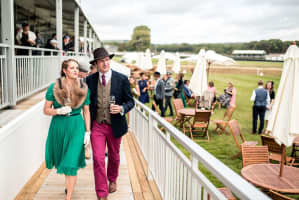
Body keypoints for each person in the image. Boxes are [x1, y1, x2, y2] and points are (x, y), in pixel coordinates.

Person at [86, 48, 134, 200]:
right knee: (99, 159)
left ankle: (112, 178)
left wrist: (121, 108)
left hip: (115, 125)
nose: (105, 63)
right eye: (101, 61)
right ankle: (101, 193)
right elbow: (85, 103)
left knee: (114, 156)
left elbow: (131, 102)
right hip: (98, 125)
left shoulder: (122, 79)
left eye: (107, 59)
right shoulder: (89, 80)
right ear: (96, 63)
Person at [43, 59, 91, 200]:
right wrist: (58, 111)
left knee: (71, 162)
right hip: (59, 126)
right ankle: (68, 187)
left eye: (77, 68)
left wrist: (88, 131)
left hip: (77, 125)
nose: (76, 70)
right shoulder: (54, 87)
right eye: (72, 68)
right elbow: (46, 110)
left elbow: (86, 111)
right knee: (63, 159)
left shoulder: (84, 88)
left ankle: (68, 197)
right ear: (64, 70)